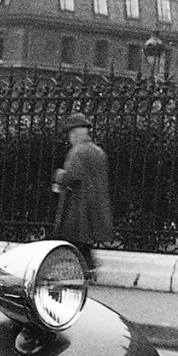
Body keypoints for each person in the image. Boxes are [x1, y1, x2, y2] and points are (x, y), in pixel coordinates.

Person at [52, 112, 114, 276]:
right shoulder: (98, 151)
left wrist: (59, 174)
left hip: (78, 204)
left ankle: (82, 270)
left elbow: (71, 176)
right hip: (94, 203)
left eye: (69, 134)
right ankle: (87, 267)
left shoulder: (77, 152)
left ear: (74, 133)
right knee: (82, 241)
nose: (69, 138)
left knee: (73, 238)